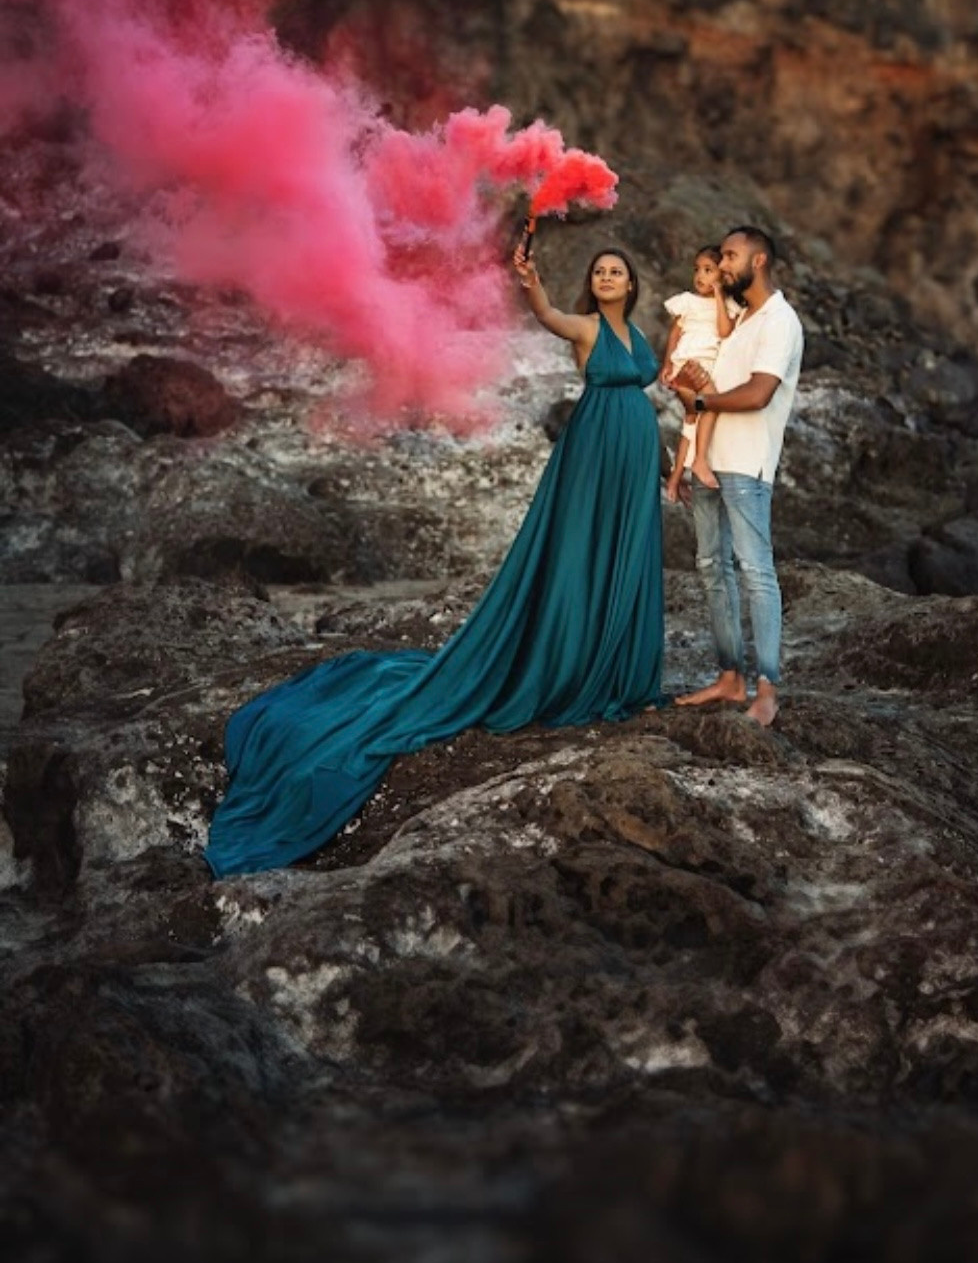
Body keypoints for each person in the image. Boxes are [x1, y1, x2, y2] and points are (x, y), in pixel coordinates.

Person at [204, 221, 664, 878]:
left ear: (632, 282)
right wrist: (529, 281)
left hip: (633, 453)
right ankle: (569, 659)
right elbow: (547, 314)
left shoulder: (638, 335)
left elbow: (655, 380)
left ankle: (611, 658)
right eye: (599, 273)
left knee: (624, 559)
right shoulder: (585, 329)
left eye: (615, 273)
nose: (606, 279)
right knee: (576, 558)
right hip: (594, 453)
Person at [671, 224, 803, 729]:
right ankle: (731, 678)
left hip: (746, 463)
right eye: (721, 256)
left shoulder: (779, 321)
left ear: (760, 259)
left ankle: (767, 688)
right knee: (710, 567)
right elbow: (711, 384)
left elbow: (758, 393)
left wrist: (702, 398)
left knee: (755, 571)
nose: (723, 265)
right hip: (708, 460)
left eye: (730, 256)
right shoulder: (739, 320)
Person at [659, 245, 737, 501]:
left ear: (722, 276)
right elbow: (675, 333)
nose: (700, 276)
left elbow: (725, 331)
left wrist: (718, 297)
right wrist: (668, 364)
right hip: (687, 364)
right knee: (712, 403)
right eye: (697, 270)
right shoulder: (687, 302)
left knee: (691, 420)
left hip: (706, 370)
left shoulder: (726, 305)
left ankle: (674, 479)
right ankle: (701, 460)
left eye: (708, 270)